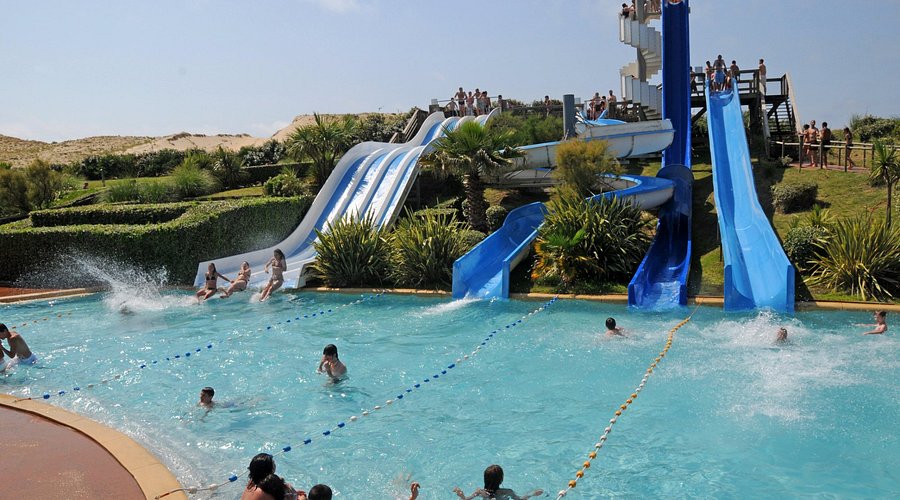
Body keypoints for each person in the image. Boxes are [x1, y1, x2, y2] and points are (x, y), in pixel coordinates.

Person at [453, 464, 543, 500]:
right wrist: (532, 494)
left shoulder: (480, 492)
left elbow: (467, 499)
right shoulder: (507, 492)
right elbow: (520, 499)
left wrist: (462, 496)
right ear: (501, 479)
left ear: (485, 479)